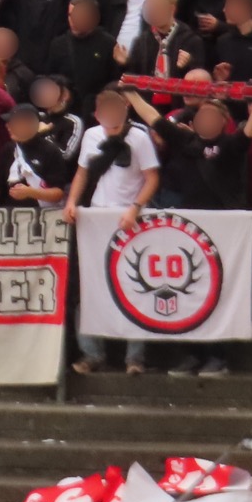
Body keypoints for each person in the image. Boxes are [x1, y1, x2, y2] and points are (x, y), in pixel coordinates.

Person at [66, 87, 162, 374]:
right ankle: (92, 353)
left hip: (129, 218)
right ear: (97, 114)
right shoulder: (92, 136)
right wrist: (72, 201)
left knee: (135, 285)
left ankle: (135, 357)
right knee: (91, 287)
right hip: (97, 216)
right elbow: (83, 171)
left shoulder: (139, 137)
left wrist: (135, 207)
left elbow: (152, 178)